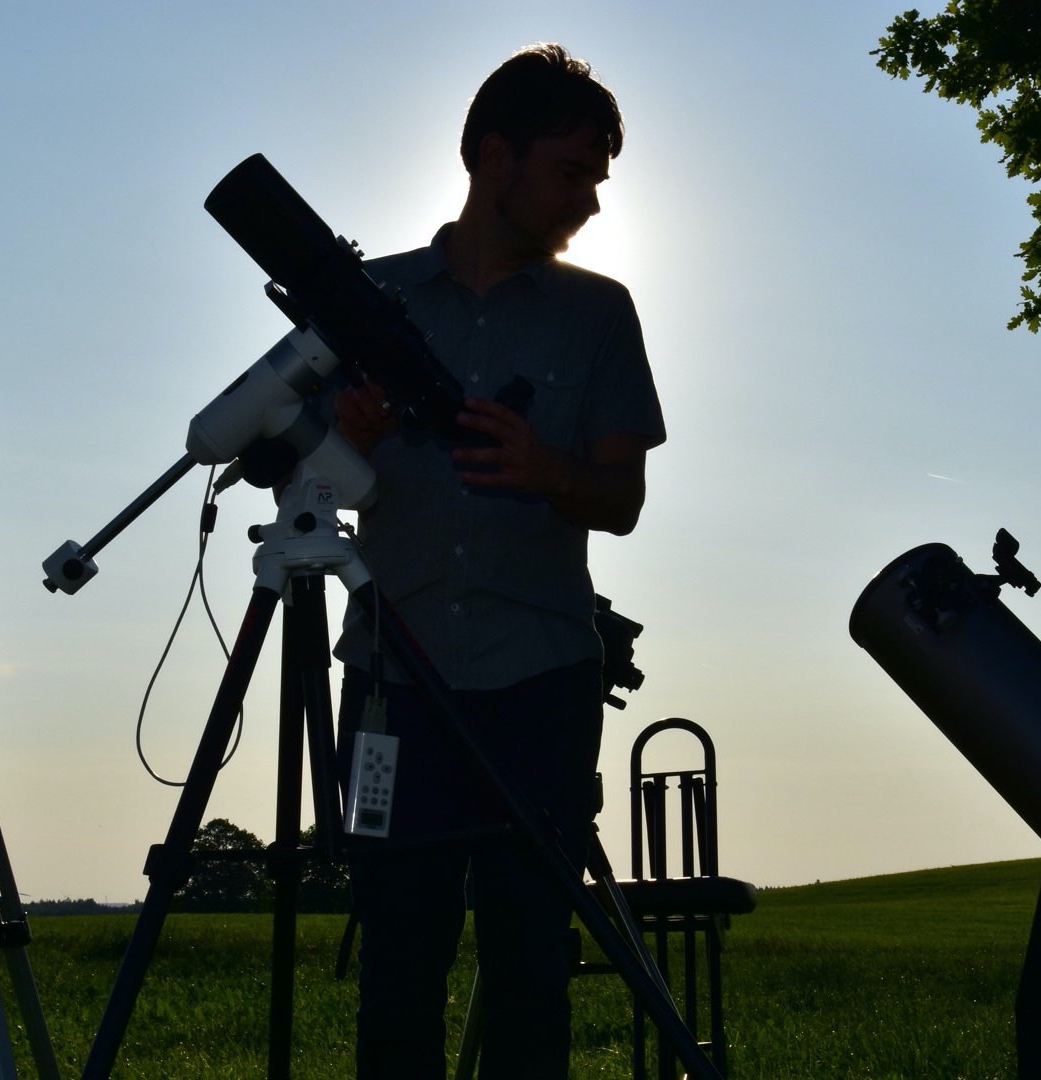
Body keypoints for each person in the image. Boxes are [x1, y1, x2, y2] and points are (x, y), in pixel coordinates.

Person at [328, 42, 664, 1080]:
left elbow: (624, 503)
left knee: (531, 975)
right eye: (572, 173)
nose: (591, 202)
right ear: (491, 156)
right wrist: (349, 442)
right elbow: (281, 473)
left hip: (540, 684)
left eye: (598, 180)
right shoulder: (367, 301)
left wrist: (547, 468)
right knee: (398, 970)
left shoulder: (601, 314)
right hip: (394, 682)